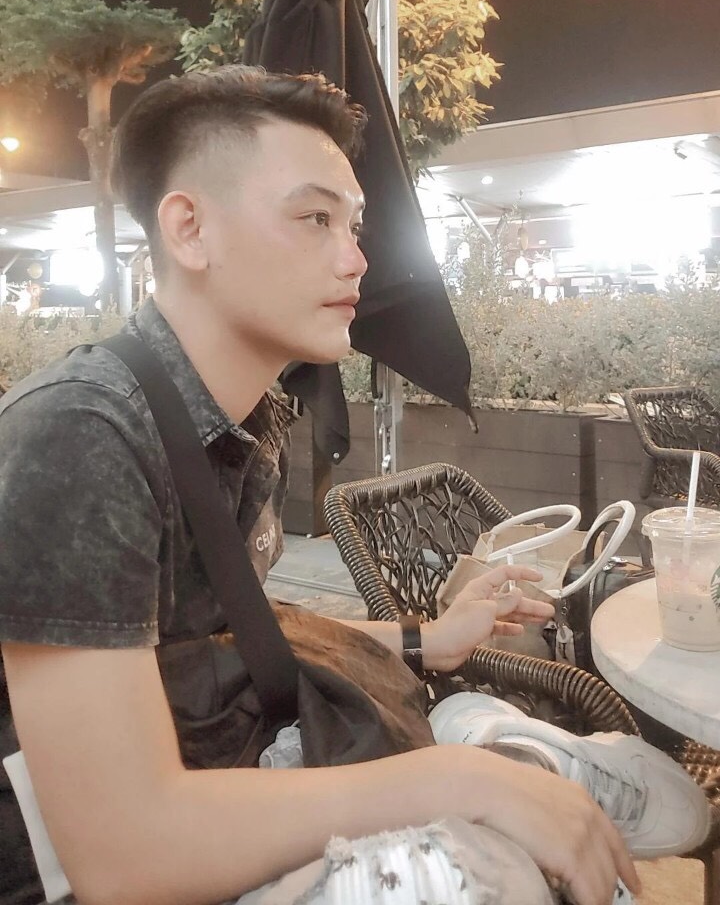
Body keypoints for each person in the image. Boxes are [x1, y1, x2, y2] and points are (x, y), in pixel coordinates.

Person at [0, 68, 709, 905]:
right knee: (481, 874)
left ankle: (492, 749)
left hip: (244, 758)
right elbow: (121, 856)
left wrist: (424, 639)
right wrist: (457, 784)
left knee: (669, 802)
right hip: (112, 863)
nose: (356, 258)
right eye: (315, 219)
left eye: (354, 224)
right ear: (190, 229)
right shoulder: (82, 433)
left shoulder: (246, 419)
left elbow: (227, 637)